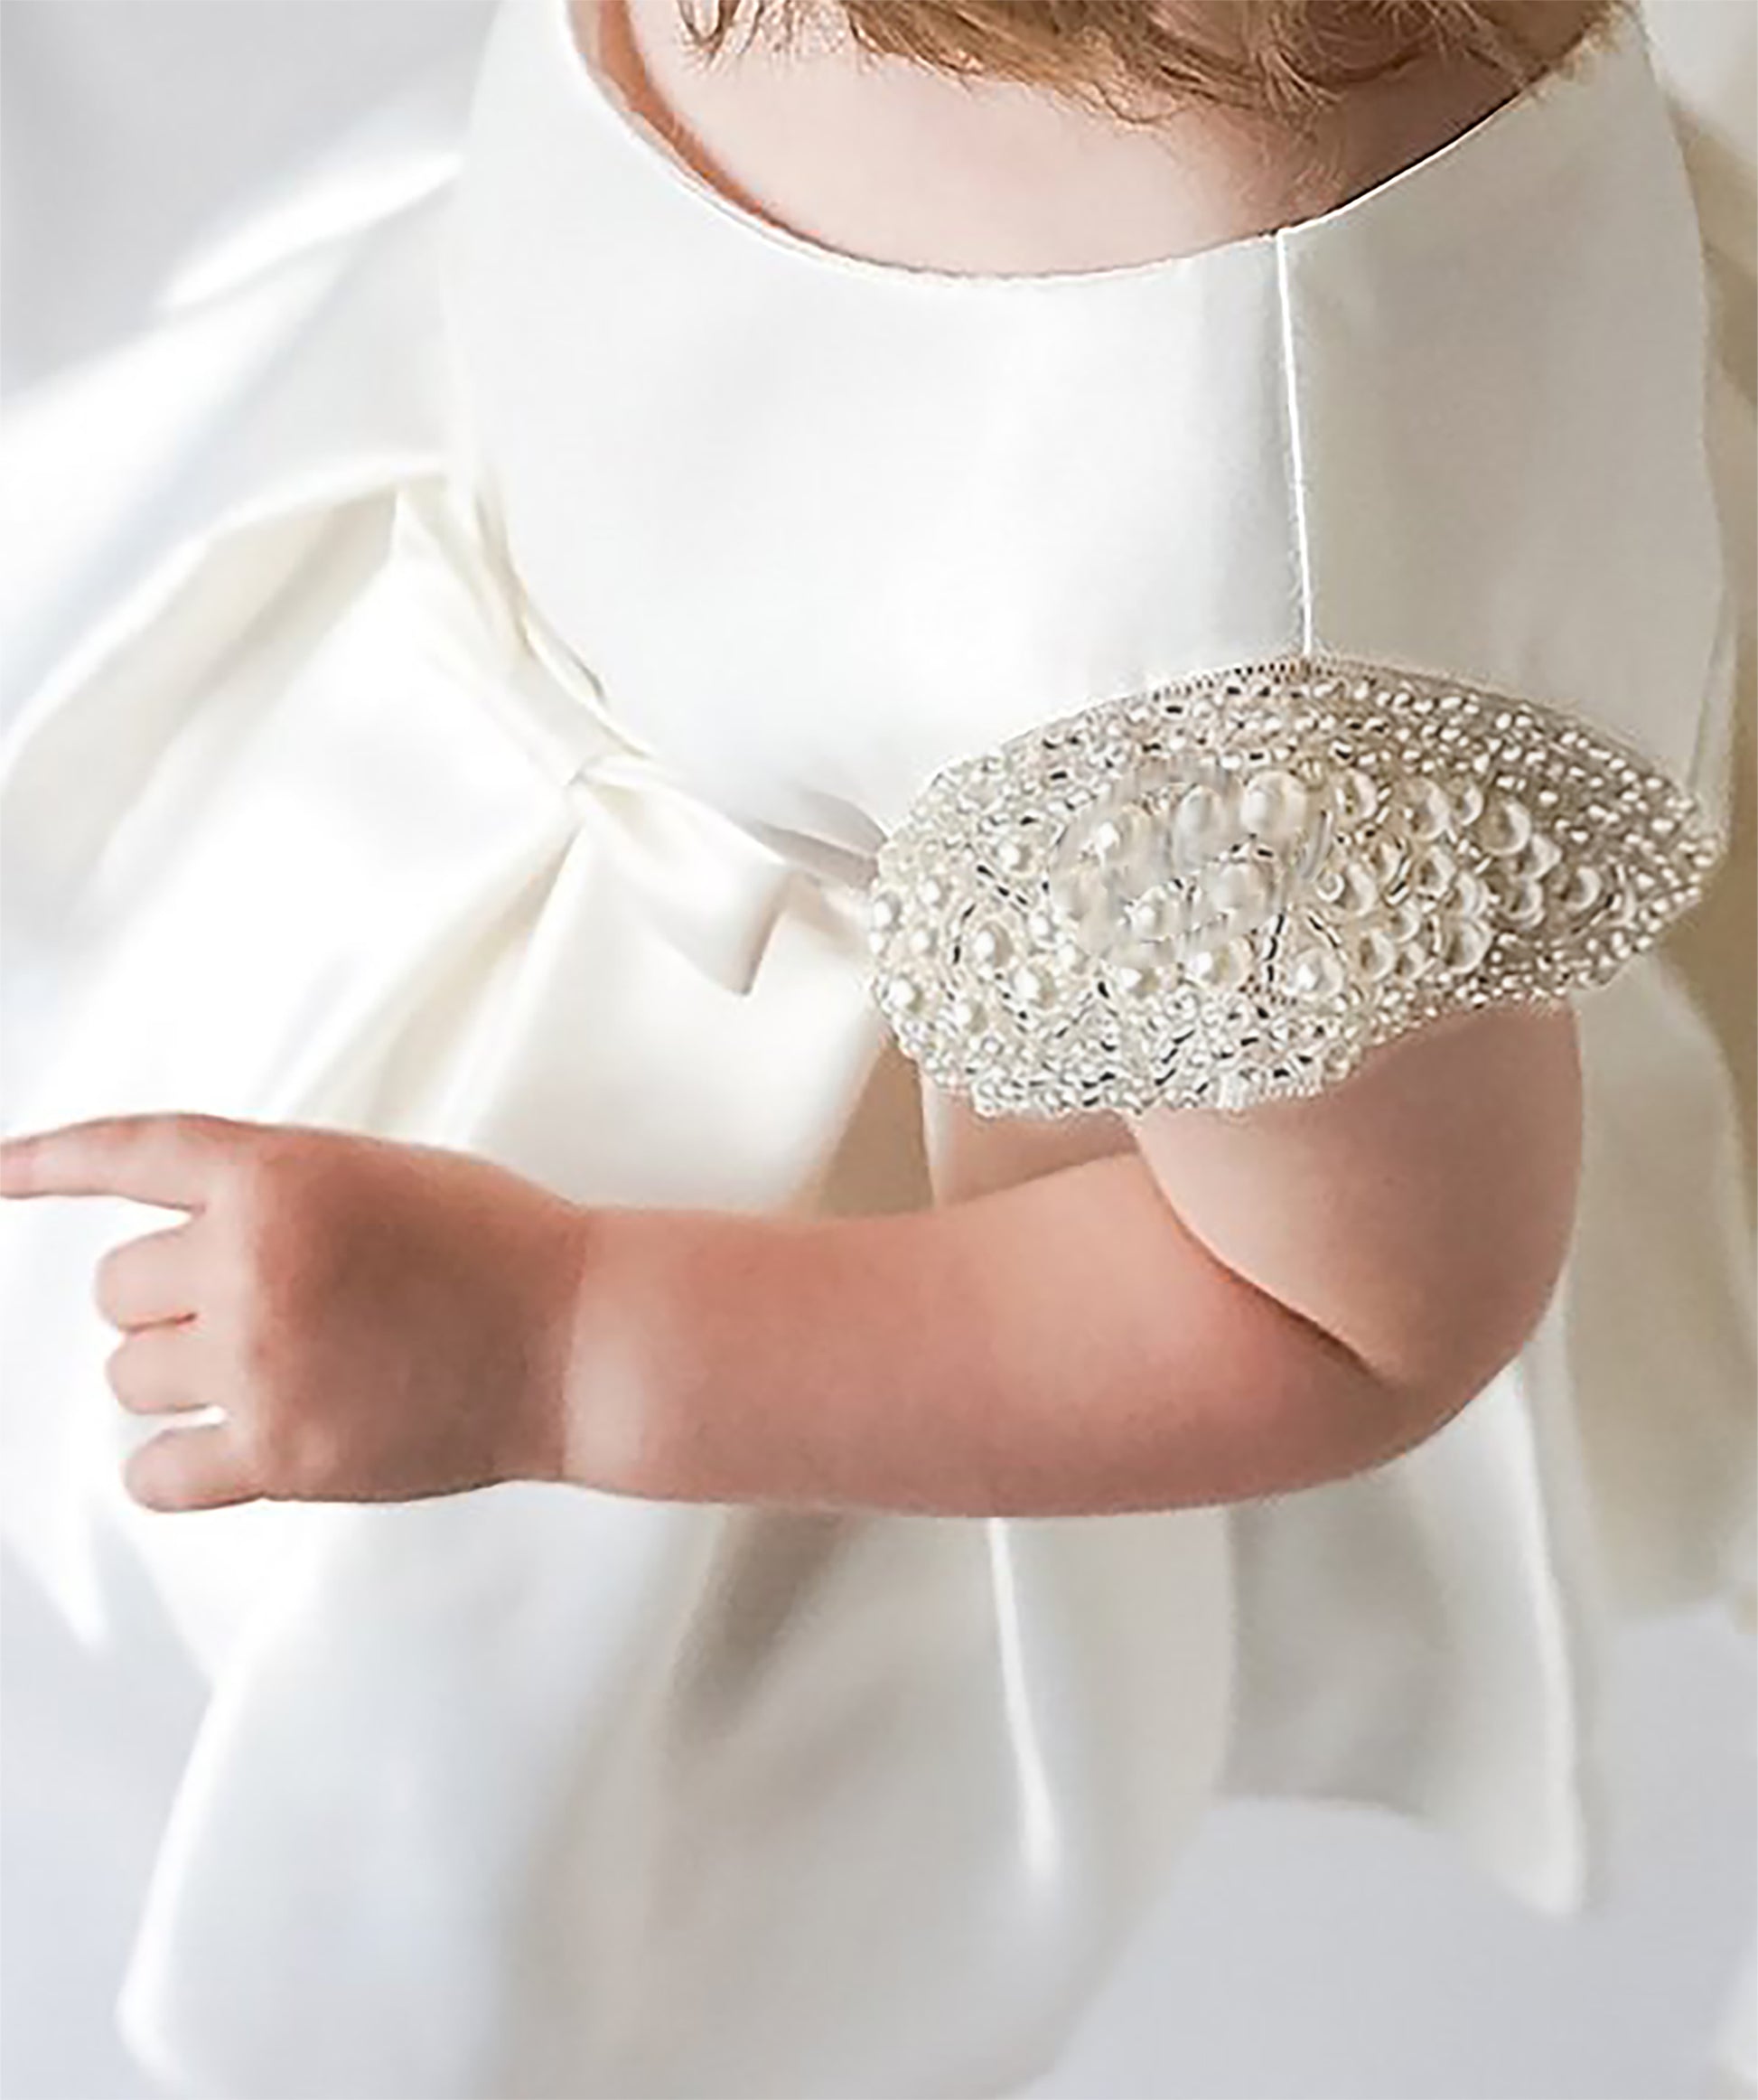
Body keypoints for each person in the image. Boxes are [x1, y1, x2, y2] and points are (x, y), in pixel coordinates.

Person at [0, 0, 1751, 2093]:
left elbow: (1334, 1305)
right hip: (473, 627)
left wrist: (562, 1340)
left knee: (604, 1888)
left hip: (776, 1208)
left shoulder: (1246, 576)